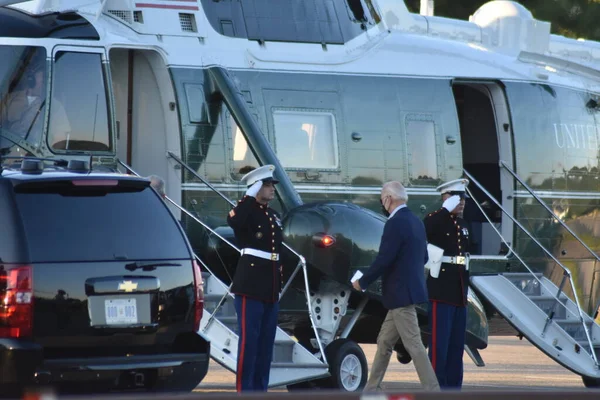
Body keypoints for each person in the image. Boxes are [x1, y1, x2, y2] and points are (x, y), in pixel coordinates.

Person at [353, 181, 440, 392]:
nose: (382, 203)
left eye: (382, 199)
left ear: (388, 199)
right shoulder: (416, 221)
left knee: (414, 344)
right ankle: (372, 389)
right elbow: (425, 256)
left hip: (401, 295)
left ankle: (433, 391)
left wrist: (362, 281)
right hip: (405, 292)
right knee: (384, 341)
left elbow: (385, 259)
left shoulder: (395, 223)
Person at [227, 164, 283, 392]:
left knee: (265, 344)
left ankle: (261, 390)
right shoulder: (245, 212)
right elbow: (235, 222)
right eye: (267, 185)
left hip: (270, 286)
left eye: (271, 185)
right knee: (249, 343)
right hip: (250, 285)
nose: (272, 190)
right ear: (256, 187)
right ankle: (245, 391)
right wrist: (249, 196)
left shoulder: (273, 215)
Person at [423, 178, 471, 389]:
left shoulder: (463, 224)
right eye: (456, 197)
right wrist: (444, 210)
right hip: (441, 291)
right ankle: (435, 388)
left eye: (463, 198)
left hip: (459, 291)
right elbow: (425, 229)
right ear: (445, 198)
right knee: (438, 346)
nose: (461, 202)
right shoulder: (436, 219)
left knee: (456, 347)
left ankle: (453, 388)